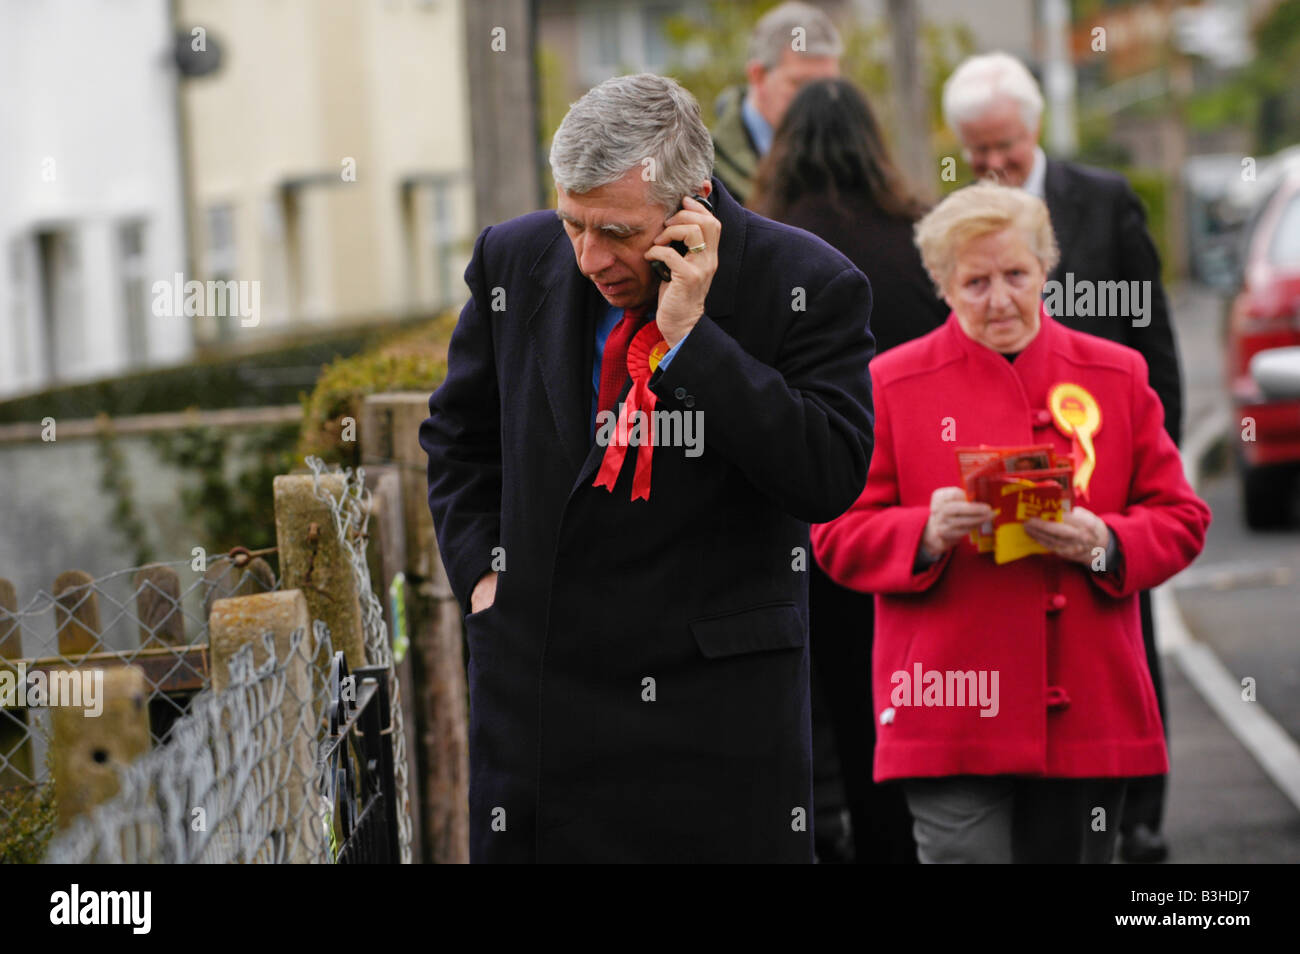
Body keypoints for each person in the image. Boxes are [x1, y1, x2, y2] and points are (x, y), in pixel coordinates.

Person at [419, 73, 875, 863]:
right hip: (542, 707)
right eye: (574, 225)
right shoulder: (512, 258)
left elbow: (827, 476)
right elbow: (459, 438)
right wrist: (484, 580)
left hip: (713, 725)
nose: (591, 257)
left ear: (691, 202)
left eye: (618, 232)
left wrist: (696, 341)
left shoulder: (807, 282)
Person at [811, 182, 1211, 864]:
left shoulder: (1116, 373)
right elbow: (834, 534)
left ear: (1045, 270)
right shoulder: (890, 382)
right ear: (941, 284)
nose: (998, 300)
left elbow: (1181, 516)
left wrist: (1106, 541)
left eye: (1016, 275)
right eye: (975, 282)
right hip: (947, 707)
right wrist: (922, 533)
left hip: (1087, 707)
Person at [943, 51, 1184, 863]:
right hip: (999, 461)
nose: (992, 164)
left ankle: (1138, 817)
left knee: (1124, 637)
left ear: (1034, 128)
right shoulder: (960, 216)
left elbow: (1151, 335)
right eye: (976, 152)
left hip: (1106, 453)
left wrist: (1155, 459)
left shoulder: (1104, 199)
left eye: (1004, 147)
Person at [750, 76, 947, 863]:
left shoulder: (770, 247)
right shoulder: (921, 241)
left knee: (823, 709)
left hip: (809, 515)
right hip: (916, 511)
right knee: (907, 709)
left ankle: (835, 837)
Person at [711, 1, 841, 206]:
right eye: (801, 84)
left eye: (828, 86)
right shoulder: (705, 170)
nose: (818, 99)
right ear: (759, 76)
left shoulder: (850, 163)